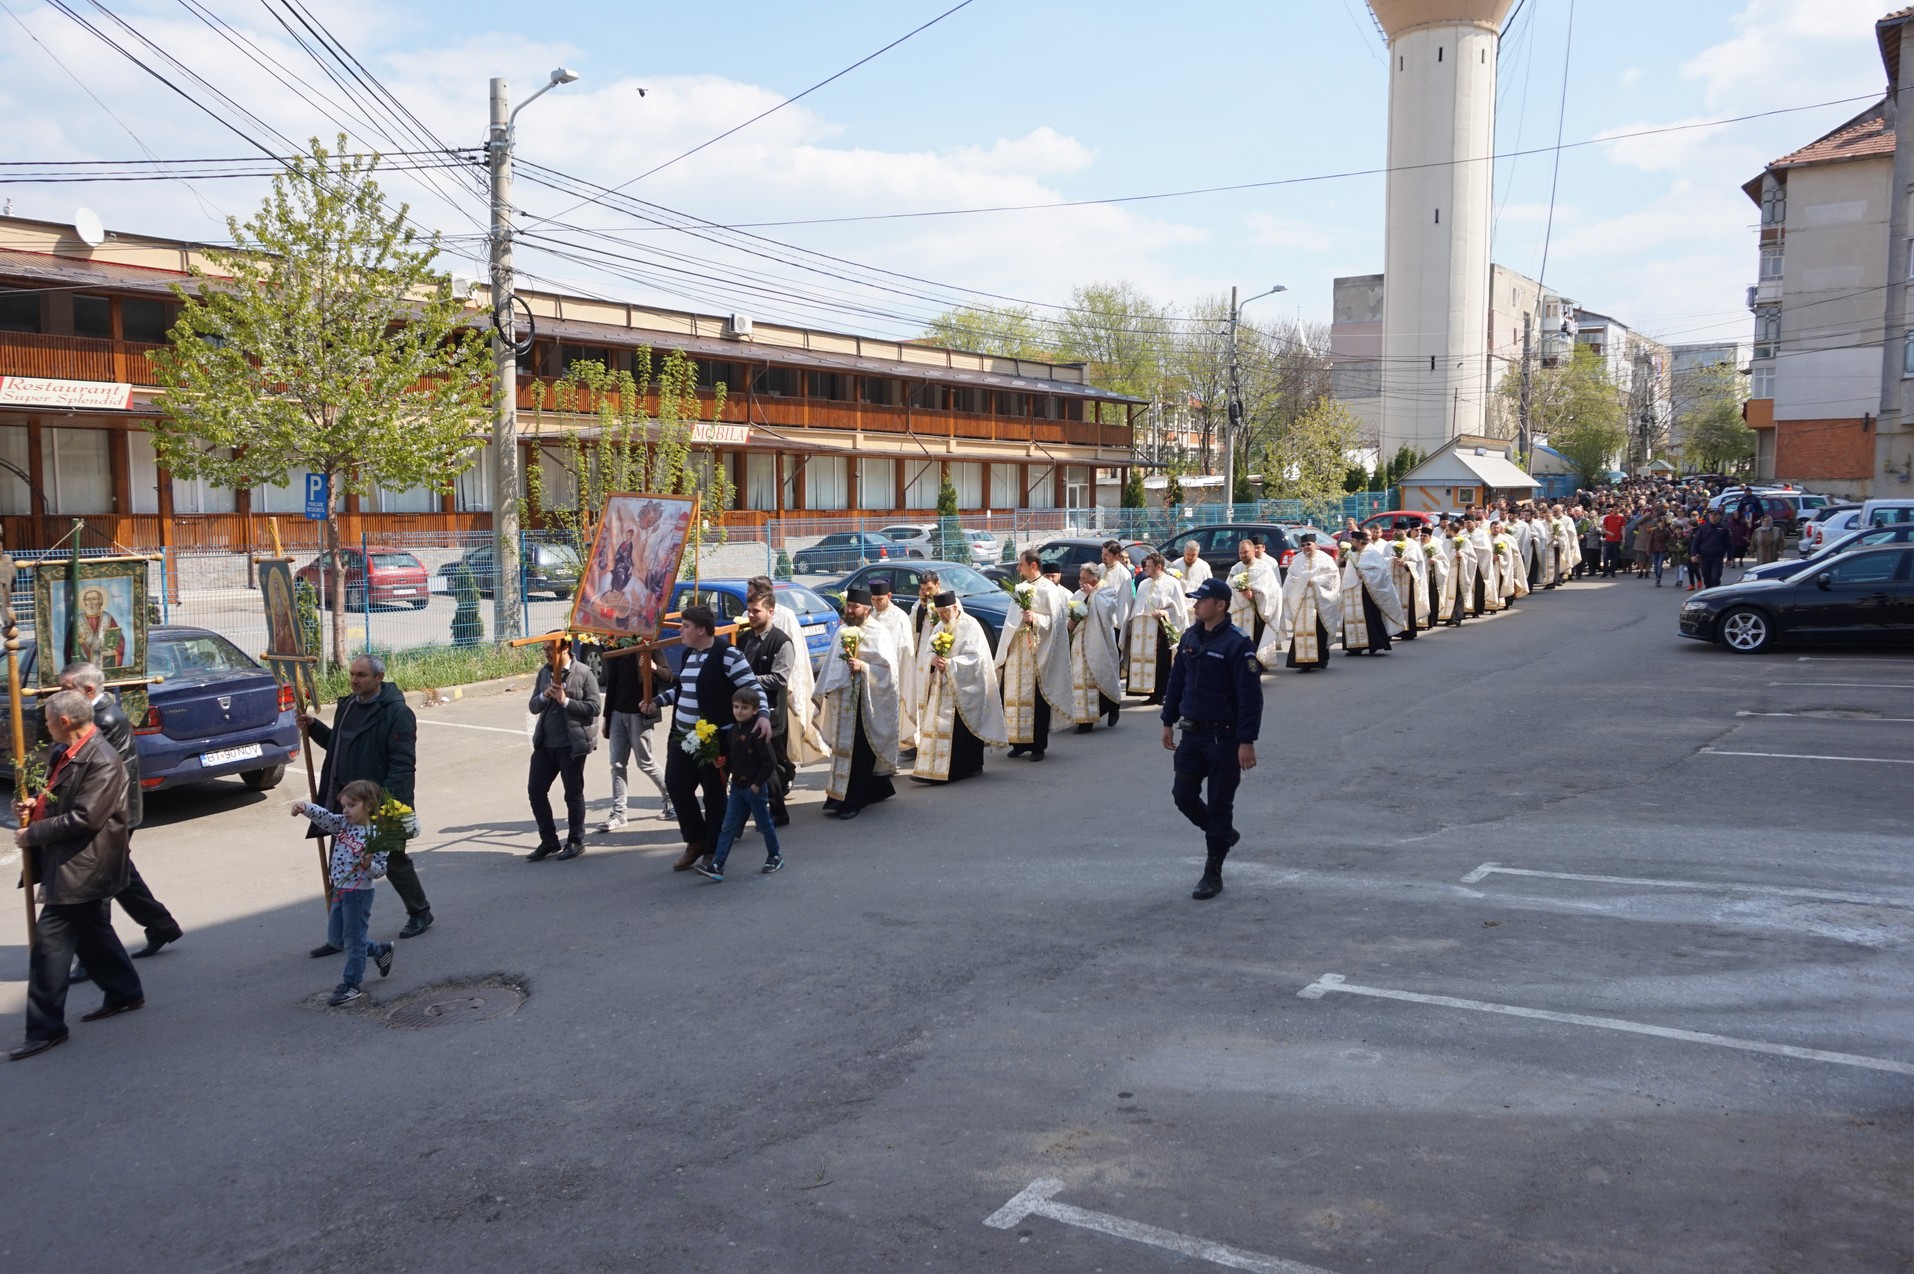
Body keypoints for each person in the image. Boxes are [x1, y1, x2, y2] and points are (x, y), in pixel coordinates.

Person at [8, 689, 141, 1061]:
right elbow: (58, 796)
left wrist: (32, 833)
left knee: (49, 950)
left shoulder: (102, 759)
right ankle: (124, 990)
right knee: (92, 934)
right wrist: (36, 803)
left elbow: (86, 818)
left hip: (84, 866)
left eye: (48, 720)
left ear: (64, 722)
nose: (45, 726)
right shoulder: (65, 753)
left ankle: (45, 1029)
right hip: (71, 862)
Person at [56, 662, 181, 982]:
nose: (60, 694)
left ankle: (95, 957)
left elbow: (98, 774)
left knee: (96, 883)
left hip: (112, 814)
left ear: (86, 691)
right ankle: (161, 925)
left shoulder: (105, 719)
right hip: (108, 812)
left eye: (65, 688)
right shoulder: (92, 716)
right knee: (120, 873)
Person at [299, 654, 430, 949]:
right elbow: (340, 744)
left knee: (393, 860)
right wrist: (314, 727)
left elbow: (402, 764)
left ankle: (420, 912)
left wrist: (385, 809)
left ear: (378, 678)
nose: (354, 680)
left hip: (384, 803)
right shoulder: (347, 706)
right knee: (343, 864)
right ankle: (340, 934)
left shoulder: (397, 713)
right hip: (349, 805)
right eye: (353, 674)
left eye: (361, 675)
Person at [1159, 578, 1261, 902]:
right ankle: (1222, 835)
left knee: (1219, 804)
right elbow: (1177, 680)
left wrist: (1247, 741)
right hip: (1192, 734)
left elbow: (1250, 697)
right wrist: (1167, 720)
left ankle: (1212, 872)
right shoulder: (1190, 636)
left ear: (1220, 605)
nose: (1195, 605)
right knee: (1183, 795)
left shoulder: (1238, 643)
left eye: (1201, 601)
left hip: (1225, 738)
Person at [650, 605, 772, 868]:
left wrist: (762, 715)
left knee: (714, 795)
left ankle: (713, 850)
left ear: (702, 629)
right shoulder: (688, 655)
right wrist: (657, 701)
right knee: (676, 786)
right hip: (681, 736)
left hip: (713, 741)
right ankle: (696, 841)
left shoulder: (728, 655)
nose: (680, 630)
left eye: (685, 626)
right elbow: (683, 690)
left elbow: (751, 687)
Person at [289, 781, 394, 1007]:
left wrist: (368, 866)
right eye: (344, 805)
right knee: (337, 939)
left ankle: (351, 985)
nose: (345, 810)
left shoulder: (377, 837)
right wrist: (305, 808)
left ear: (369, 806)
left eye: (351, 805)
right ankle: (379, 949)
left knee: (354, 941)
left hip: (358, 894)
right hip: (340, 887)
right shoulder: (343, 825)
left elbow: (381, 870)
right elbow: (326, 818)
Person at [813, 587, 901, 818]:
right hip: (843, 703)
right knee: (843, 751)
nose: (850, 610)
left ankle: (854, 801)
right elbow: (833, 666)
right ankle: (841, 796)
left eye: (855, 607)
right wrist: (826, 691)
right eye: (848, 606)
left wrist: (864, 667)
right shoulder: (843, 630)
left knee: (860, 753)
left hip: (866, 704)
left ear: (867, 609)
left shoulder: (878, 633)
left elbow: (888, 671)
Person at [911, 591, 1006, 784]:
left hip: (966, 686)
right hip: (942, 687)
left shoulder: (971, 626)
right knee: (942, 729)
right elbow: (927, 653)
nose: (943, 616)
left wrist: (951, 664)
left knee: (964, 731)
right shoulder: (939, 626)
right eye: (939, 612)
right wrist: (933, 660)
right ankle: (937, 769)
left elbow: (976, 658)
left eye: (945, 611)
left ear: (955, 607)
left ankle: (967, 768)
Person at [693, 688, 783, 882]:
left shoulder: (757, 732)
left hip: (754, 788)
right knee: (728, 826)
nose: (739, 711)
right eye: (736, 706)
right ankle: (718, 864)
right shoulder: (733, 731)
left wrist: (757, 785)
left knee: (764, 824)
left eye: (744, 707)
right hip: (737, 788)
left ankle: (774, 855)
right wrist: (724, 763)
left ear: (755, 710)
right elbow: (735, 758)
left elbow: (769, 762)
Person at [524, 641, 600, 862]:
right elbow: (533, 706)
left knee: (573, 794)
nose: (546, 654)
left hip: (572, 745)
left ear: (564, 649)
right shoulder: (545, 673)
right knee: (536, 790)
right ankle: (548, 840)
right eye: (545, 650)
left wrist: (566, 701)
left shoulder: (584, 673)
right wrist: (545, 695)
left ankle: (576, 840)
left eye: (550, 650)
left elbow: (594, 708)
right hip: (546, 744)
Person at [996, 549, 1071, 761]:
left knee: (1037, 700)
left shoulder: (1049, 590)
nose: (1018, 568)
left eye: (1021, 564)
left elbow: (1055, 622)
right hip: (1018, 653)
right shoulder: (1020, 588)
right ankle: (1018, 742)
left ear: (1034, 565)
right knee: (1014, 697)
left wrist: (1035, 619)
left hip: (1038, 653)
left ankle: (1038, 745)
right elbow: (1011, 621)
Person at [735, 589, 798, 825]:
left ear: (770, 612)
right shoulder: (743, 639)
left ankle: (777, 812)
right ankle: (744, 817)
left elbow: (780, 678)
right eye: (749, 611)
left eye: (756, 611)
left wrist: (748, 679)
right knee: (748, 764)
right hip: (744, 715)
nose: (751, 615)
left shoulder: (781, 642)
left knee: (767, 766)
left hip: (769, 714)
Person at [598, 643, 674, 833]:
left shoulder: (649, 645)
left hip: (640, 713)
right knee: (616, 764)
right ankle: (619, 813)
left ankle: (671, 798)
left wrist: (653, 667)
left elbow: (668, 675)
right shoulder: (615, 646)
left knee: (645, 762)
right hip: (617, 712)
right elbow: (612, 685)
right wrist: (607, 717)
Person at [1067, 564, 1124, 732]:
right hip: (1079, 643)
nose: (1080, 582)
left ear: (1094, 579)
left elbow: (1107, 612)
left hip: (1099, 642)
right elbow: (1070, 612)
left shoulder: (1107, 592)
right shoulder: (1078, 594)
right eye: (1080, 578)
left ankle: (1113, 706)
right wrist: (1069, 622)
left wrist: (1091, 594)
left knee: (1099, 677)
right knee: (1081, 680)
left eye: (1084, 579)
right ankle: (1084, 718)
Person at [1126, 552, 1189, 704]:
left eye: (1148, 566)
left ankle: (1161, 693)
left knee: (1161, 662)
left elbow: (1179, 608)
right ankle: (1150, 692)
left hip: (1161, 628)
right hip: (1144, 629)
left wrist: (1164, 612)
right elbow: (1137, 606)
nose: (1145, 569)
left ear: (1158, 566)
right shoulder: (1143, 583)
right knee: (1146, 661)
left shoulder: (1172, 583)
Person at [865, 579, 918, 755]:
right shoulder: (870, 615)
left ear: (889, 596)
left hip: (894, 674)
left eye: (880, 599)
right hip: (872, 674)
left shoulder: (900, 617)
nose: (876, 603)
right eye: (873, 599)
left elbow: (904, 648)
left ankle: (892, 751)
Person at [1279, 534, 1341, 671]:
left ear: (1315, 544)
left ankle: (1322, 659)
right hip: (1302, 602)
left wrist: (1315, 581)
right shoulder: (1297, 560)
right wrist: (1299, 585)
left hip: (1320, 602)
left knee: (1320, 631)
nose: (1306, 547)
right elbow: (1291, 580)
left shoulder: (1326, 559)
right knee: (1303, 632)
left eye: (1309, 544)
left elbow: (1333, 577)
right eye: (1303, 545)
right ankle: (1304, 663)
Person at [1341, 532, 1406, 656]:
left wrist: (1364, 574)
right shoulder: (1352, 552)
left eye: (1353, 540)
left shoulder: (1372, 552)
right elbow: (1349, 571)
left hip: (1368, 591)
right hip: (1353, 591)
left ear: (1360, 541)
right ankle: (1354, 647)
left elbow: (1381, 572)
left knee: (1370, 617)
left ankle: (1374, 644)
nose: (1351, 542)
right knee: (1352, 617)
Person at [1225, 538, 1283, 666]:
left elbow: (1273, 591)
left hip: (1257, 612)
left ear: (1253, 551)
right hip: (1240, 612)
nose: (1242, 555)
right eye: (1240, 552)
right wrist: (1240, 591)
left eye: (1245, 552)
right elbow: (1228, 588)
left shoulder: (1264, 568)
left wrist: (1255, 594)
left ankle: (1256, 668)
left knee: (1255, 640)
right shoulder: (1236, 568)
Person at [68, 584, 127, 669]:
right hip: (83, 663)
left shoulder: (108, 618)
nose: (91, 602)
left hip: (104, 661)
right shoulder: (78, 620)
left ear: (100, 601)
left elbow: (118, 640)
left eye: (94, 599)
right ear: (84, 602)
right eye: (87, 599)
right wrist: (80, 641)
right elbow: (70, 643)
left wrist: (112, 652)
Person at [1386, 530, 1427, 638]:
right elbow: (1383, 559)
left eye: (1401, 531)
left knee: (1408, 605)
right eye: (1396, 531)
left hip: (1408, 579)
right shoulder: (1389, 545)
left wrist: (1405, 563)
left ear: (1405, 532)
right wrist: (1391, 560)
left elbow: (1419, 563)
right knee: (1392, 604)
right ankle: (1393, 630)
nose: (1398, 533)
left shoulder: (1413, 545)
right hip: (1393, 579)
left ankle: (1408, 632)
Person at [1691, 510, 1732, 590]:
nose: (1713, 516)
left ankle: (1714, 594)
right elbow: (1696, 542)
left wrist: (1729, 558)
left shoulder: (1724, 528)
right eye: (1711, 514)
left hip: (1717, 557)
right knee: (1706, 577)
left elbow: (1729, 544)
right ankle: (1708, 592)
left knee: (1715, 578)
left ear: (1719, 516)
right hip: (1705, 556)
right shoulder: (1703, 528)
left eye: (1715, 514)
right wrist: (1693, 554)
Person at [1600, 506, 1626, 577]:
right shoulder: (1607, 518)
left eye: (1618, 509)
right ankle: (1605, 571)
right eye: (1615, 509)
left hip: (1617, 540)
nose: (1616, 510)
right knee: (1606, 556)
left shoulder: (1621, 518)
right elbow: (1603, 529)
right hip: (1608, 540)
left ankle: (1613, 571)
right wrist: (1609, 533)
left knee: (1615, 557)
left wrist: (1623, 538)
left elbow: (1623, 529)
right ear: (1612, 509)